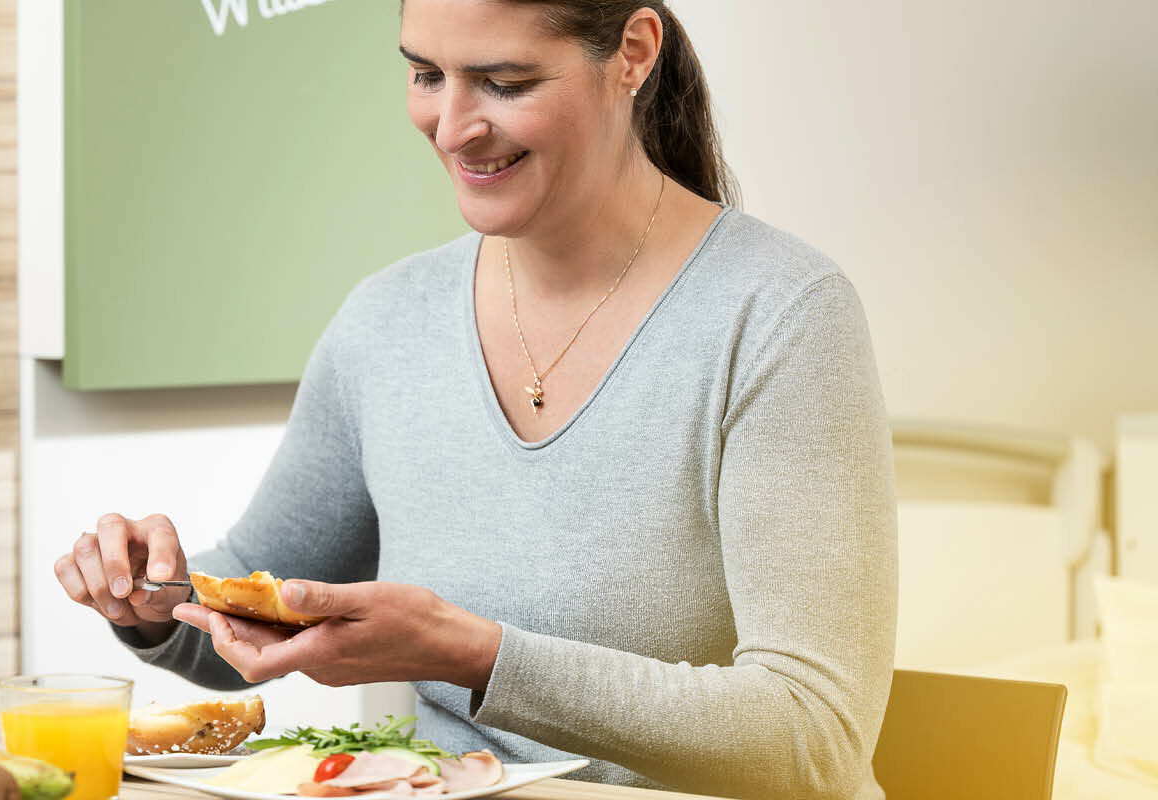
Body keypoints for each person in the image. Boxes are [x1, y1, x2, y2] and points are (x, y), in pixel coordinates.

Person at [52, 2, 895, 798]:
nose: (452, 128)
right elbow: (256, 616)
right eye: (425, 75)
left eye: (505, 83)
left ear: (633, 54)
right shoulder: (388, 321)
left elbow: (814, 735)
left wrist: (480, 658)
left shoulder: (780, 313)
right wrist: (157, 599)